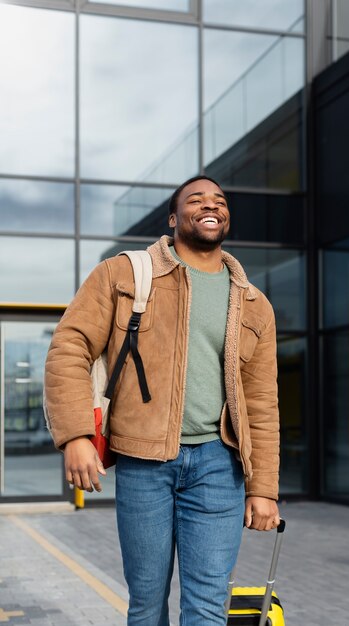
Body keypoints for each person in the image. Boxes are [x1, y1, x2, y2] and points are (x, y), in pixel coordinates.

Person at [44, 175, 280, 626]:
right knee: (147, 603)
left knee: (208, 605)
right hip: (143, 461)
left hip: (220, 466)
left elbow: (262, 403)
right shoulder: (123, 274)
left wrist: (263, 488)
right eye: (196, 199)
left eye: (220, 200)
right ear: (174, 219)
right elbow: (70, 346)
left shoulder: (254, 304)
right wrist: (75, 435)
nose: (211, 205)